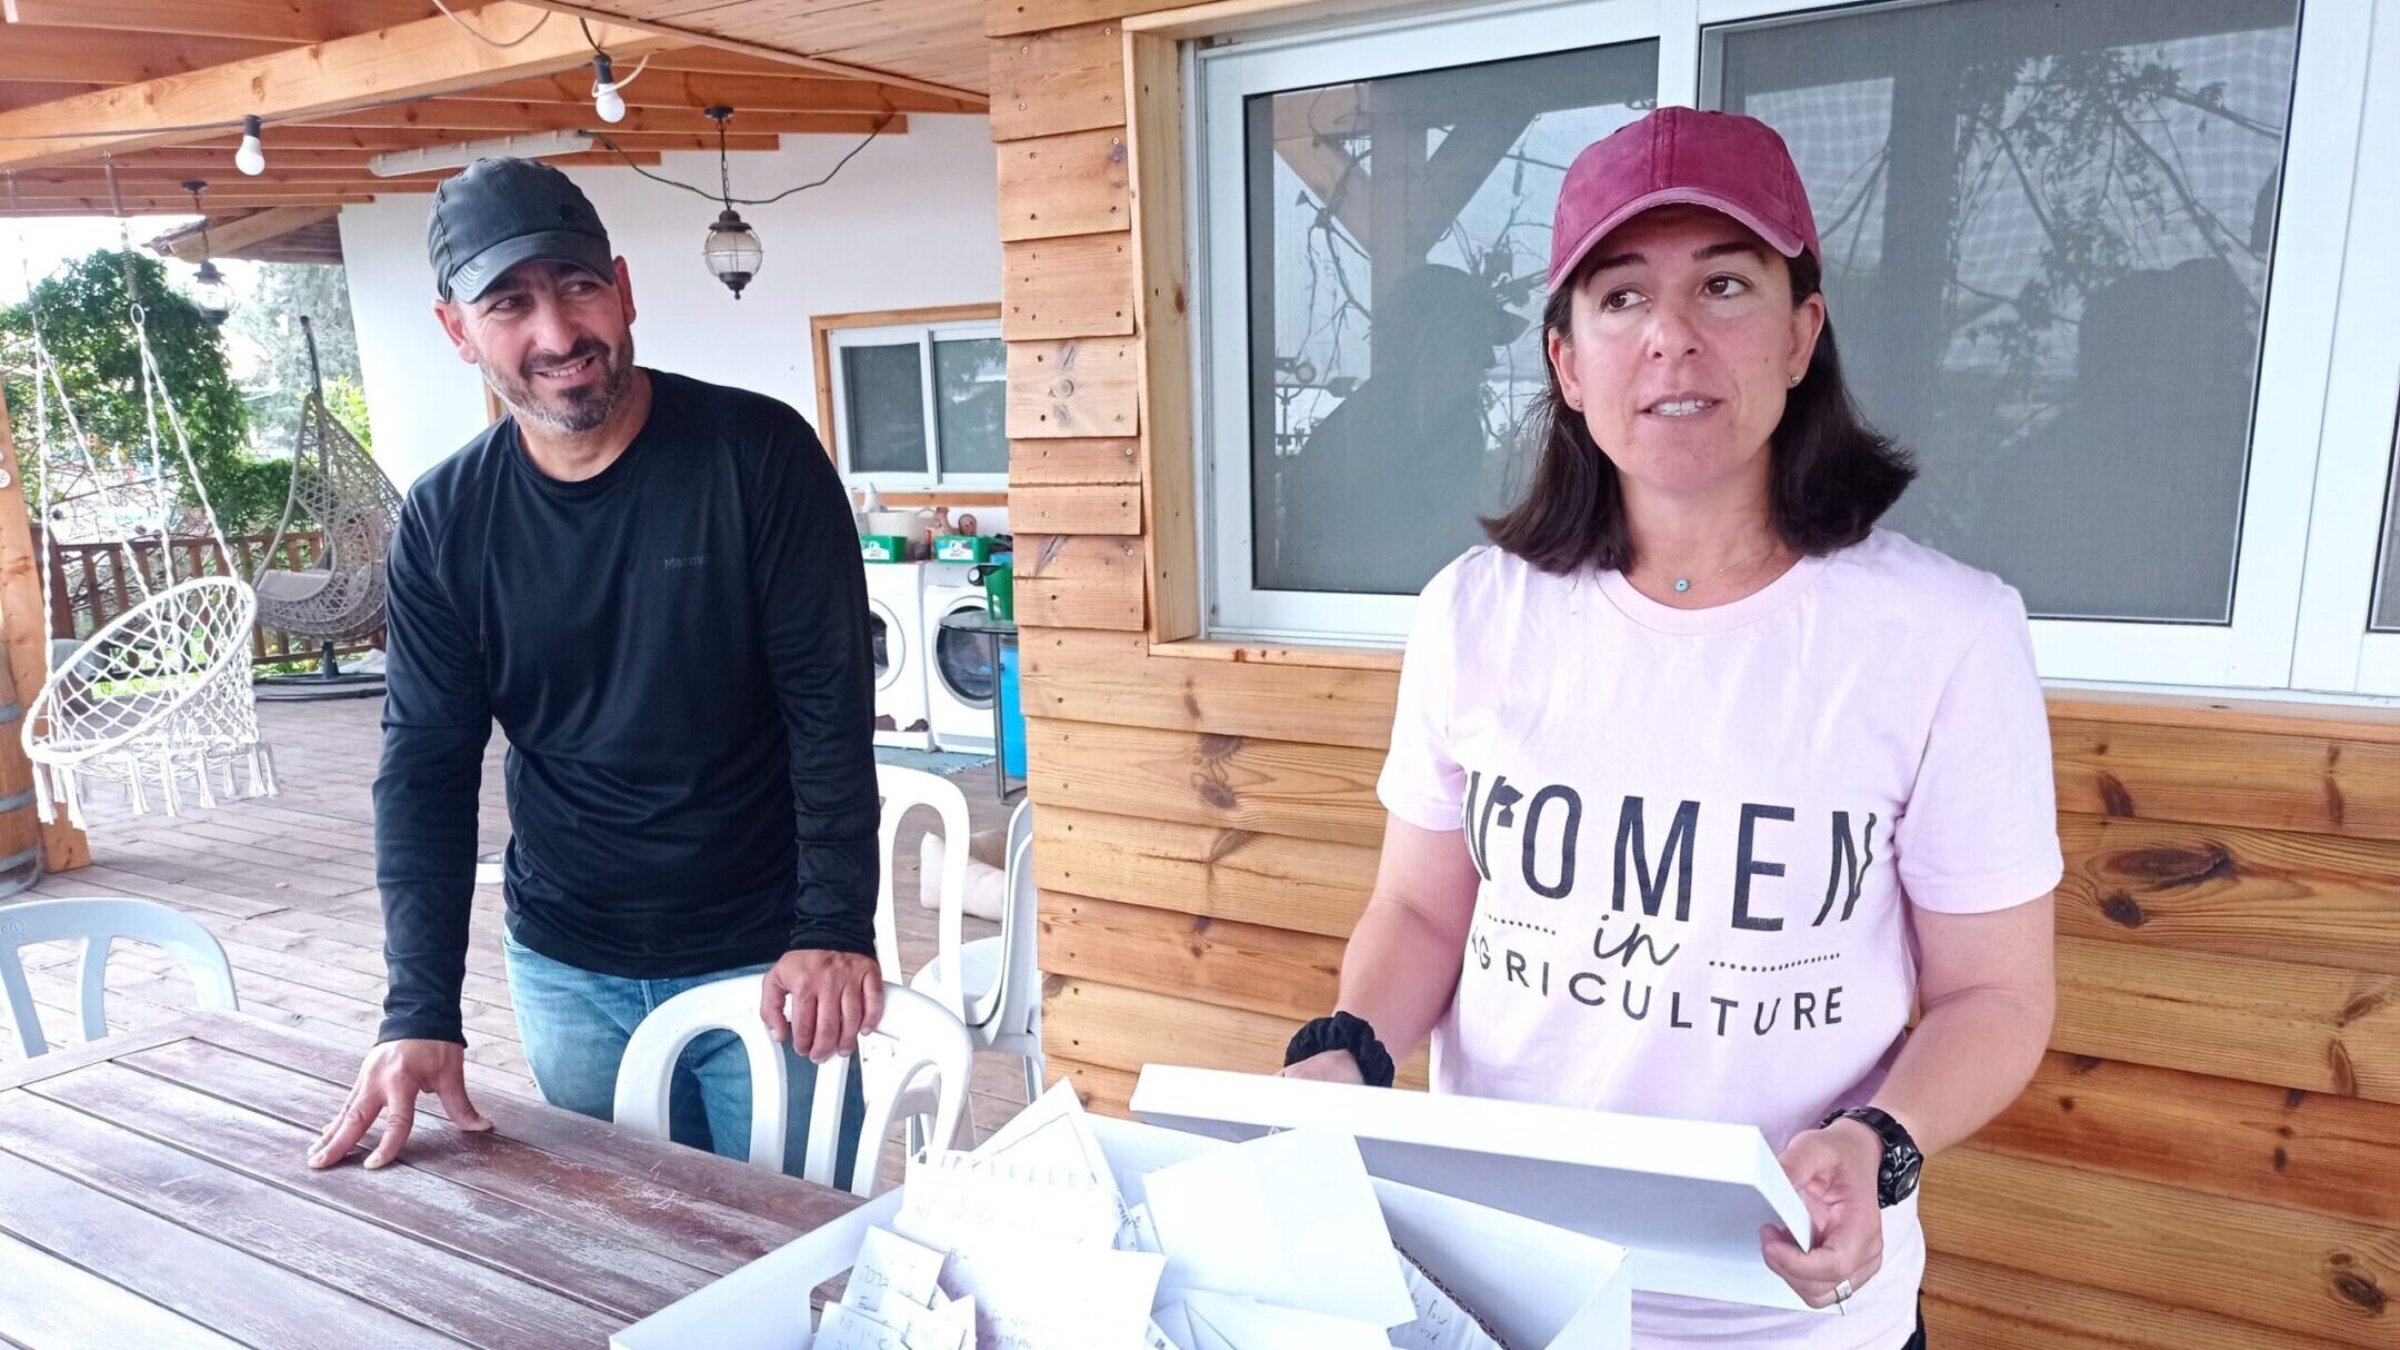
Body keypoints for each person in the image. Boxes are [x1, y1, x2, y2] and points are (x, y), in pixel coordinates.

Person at [1280, 108, 2060, 1350]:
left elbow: (1995, 995)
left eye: (1726, 284)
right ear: (1567, 360)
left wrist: (1880, 1144)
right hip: (1497, 1285)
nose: (1673, 337)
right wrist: (1353, 1052)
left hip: (1787, 1314)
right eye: (1622, 296)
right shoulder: (1472, 616)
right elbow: (1426, 911)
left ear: (1803, 333)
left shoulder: (1944, 634)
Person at [305, 158, 883, 1179]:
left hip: (770, 956)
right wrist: (419, 1007)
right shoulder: (446, 521)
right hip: (567, 962)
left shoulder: (757, 457)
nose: (558, 335)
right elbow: (426, 769)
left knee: (802, 1262)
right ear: (457, 331)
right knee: (635, 1261)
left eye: (576, 287)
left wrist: (833, 925)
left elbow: (827, 711)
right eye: (510, 304)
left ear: (622, 286)